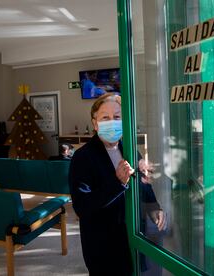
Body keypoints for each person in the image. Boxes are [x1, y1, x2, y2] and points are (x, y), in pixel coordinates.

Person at [69, 93, 165, 275]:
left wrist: (153, 207)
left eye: (117, 117)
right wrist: (117, 183)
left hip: (133, 236)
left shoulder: (129, 149)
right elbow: (82, 207)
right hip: (103, 245)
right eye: (105, 117)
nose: (112, 122)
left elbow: (143, 184)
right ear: (95, 123)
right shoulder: (83, 157)